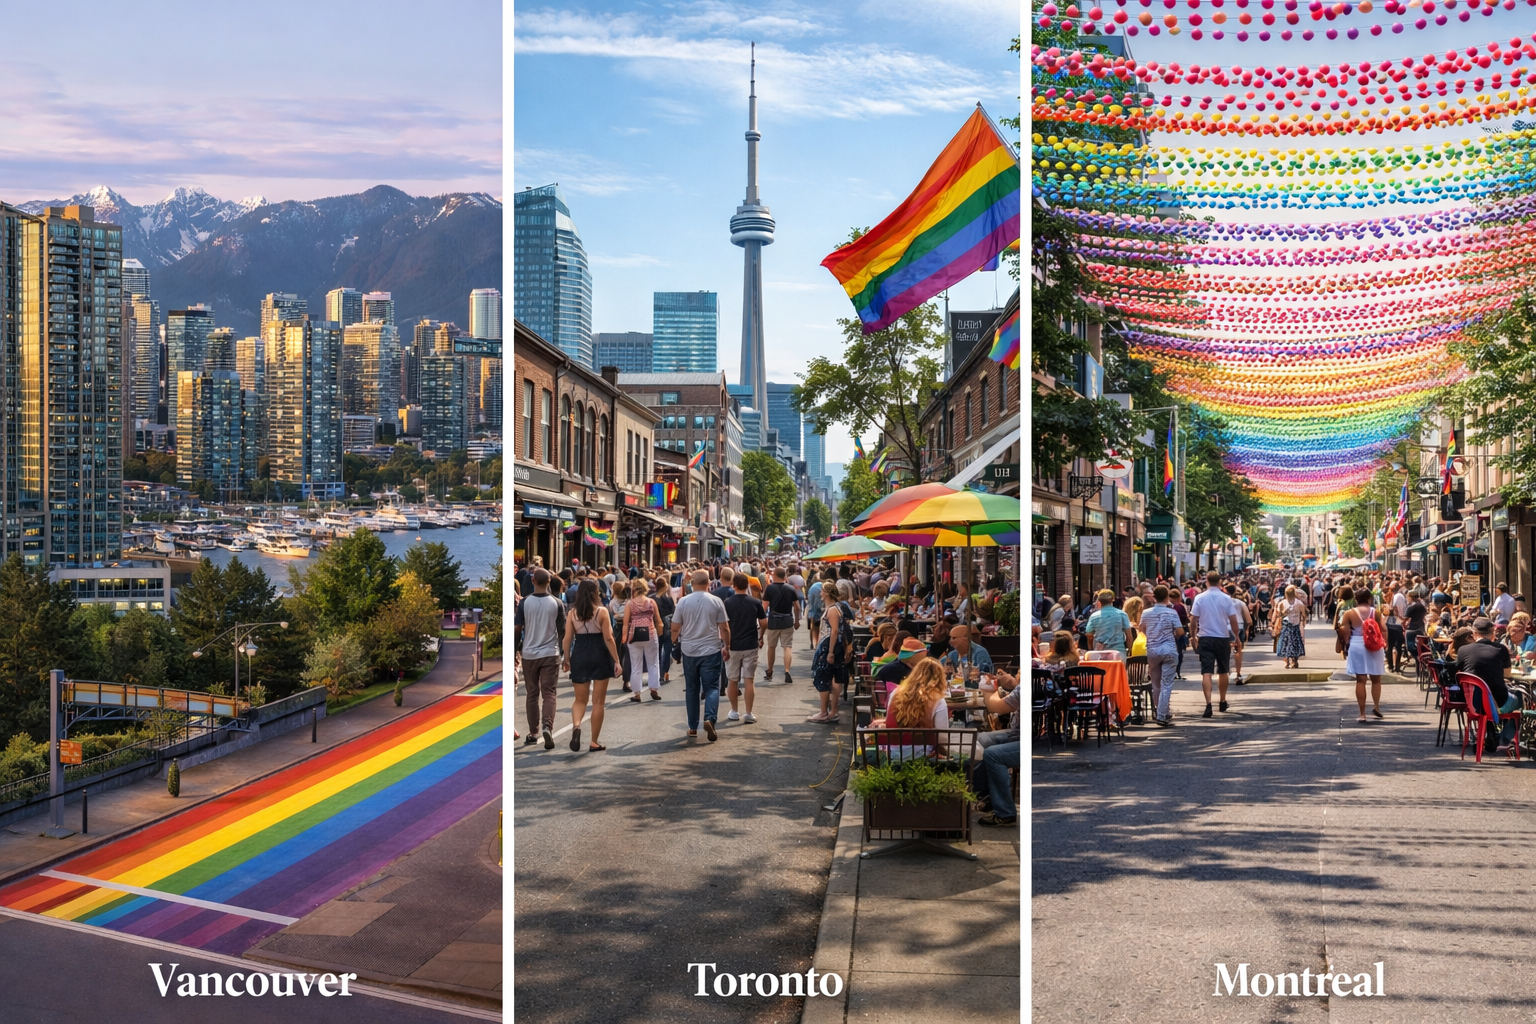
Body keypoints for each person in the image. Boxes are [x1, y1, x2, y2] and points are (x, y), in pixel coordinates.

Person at [561, 579, 622, 752]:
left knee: (580, 700)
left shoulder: (572, 613)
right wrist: (616, 660)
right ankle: (594, 741)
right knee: (598, 702)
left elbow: (567, 639)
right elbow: (609, 638)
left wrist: (566, 659)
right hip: (600, 655)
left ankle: (577, 725)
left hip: (580, 654)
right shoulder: (602, 612)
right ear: (596, 592)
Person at [671, 570, 731, 742]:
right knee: (712, 686)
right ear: (709, 584)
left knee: (692, 688)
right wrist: (727, 646)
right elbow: (724, 628)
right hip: (711, 649)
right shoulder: (716, 601)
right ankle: (709, 718)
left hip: (689, 650)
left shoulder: (683, 602)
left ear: (691, 583)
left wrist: (674, 644)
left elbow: (675, 627)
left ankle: (692, 727)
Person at [515, 568, 565, 750]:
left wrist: (514, 651)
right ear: (550, 582)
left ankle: (533, 732)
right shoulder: (557, 603)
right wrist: (564, 653)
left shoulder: (524, 603)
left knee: (532, 693)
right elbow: (562, 630)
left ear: (533, 581)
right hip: (550, 653)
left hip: (529, 654)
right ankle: (547, 727)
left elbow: (518, 628)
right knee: (549, 693)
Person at [1456, 617, 1521, 754]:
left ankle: (1490, 734)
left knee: (1486, 693)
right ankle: (1504, 738)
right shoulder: (1501, 649)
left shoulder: (1463, 650)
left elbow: (1460, 672)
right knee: (1522, 700)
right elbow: (1507, 675)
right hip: (1499, 702)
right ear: (1493, 634)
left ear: (1474, 634)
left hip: (1474, 703)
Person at [1190, 571, 1243, 718]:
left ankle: (1208, 703)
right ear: (1220, 582)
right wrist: (1237, 636)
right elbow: (1233, 620)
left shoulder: (1200, 598)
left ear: (1206, 581)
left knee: (1206, 671)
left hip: (1205, 637)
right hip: (1222, 637)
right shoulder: (1226, 598)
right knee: (1223, 670)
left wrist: (1193, 635)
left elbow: (1193, 620)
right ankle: (1222, 700)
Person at [879, 659, 951, 756]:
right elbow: (943, 738)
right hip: (923, 755)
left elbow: (889, 721)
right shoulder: (938, 700)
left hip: (893, 753)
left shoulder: (895, 693)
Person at [721, 572, 766, 724]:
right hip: (750, 644)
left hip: (733, 645)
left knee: (732, 679)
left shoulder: (727, 603)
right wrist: (761, 636)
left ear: (733, 585)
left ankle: (734, 711)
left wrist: (725, 644)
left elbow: (723, 626)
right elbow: (764, 622)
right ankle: (749, 713)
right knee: (749, 680)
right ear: (747, 585)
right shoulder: (755, 602)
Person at [810, 579, 856, 723]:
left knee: (823, 677)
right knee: (835, 679)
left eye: (823, 590)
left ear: (828, 593)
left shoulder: (832, 610)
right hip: (834, 646)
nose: (820, 593)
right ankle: (833, 711)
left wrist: (829, 652)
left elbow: (834, 631)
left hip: (830, 647)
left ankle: (824, 712)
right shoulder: (837, 607)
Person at [1339, 589, 1387, 722]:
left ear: (1356, 599)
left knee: (1361, 679)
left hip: (1357, 645)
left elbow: (1346, 632)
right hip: (1375, 646)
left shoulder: (1349, 613)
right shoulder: (1375, 612)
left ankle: (1362, 714)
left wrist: (1345, 646)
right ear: (1369, 599)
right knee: (1376, 679)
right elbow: (1384, 629)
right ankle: (1376, 707)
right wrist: (1385, 643)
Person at [1141, 585, 1185, 727]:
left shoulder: (1146, 613)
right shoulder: (1172, 613)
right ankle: (1162, 714)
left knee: (1155, 683)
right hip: (1169, 649)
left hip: (1153, 650)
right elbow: (1180, 631)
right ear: (1167, 597)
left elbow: (1142, 628)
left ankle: (1159, 710)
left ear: (1154, 596)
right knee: (1166, 683)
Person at [621, 578, 662, 703]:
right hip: (650, 633)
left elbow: (625, 623)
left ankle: (637, 693)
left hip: (634, 636)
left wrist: (624, 638)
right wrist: (659, 634)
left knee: (636, 665)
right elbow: (658, 621)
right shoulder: (651, 602)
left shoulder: (630, 604)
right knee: (653, 662)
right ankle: (653, 688)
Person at [762, 566, 802, 684]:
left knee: (771, 646)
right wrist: (797, 620)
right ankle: (787, 670)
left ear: (774, 576)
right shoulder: (790, 588)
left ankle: (770, 671)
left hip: (774, 620)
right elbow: (797, 606)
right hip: (787, 620)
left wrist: (761, 620)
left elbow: (764, 606)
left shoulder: (769, 589)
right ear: (784, 576)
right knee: (787, 646)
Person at [1084, 589, 1133, 657]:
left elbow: (1089, 635)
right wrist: (1130, 651)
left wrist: (1091, 649)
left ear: (1099, 601)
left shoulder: (1093, 616)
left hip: (1099, 653)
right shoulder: (1122, 614)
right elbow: (1129, 636)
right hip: (1118, 652)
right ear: (1112, 600)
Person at [1275, 585, 1307, 670]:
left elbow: (1278, 613)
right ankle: (1294, 660)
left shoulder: (1282, 603)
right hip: (1295, 624)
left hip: (1286, 624)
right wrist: (1303, 621)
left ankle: (1287, 662)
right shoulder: (1299, 603)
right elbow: (1303, 614)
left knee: (1286, 642)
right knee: (1295, 642)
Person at [806, 571, 826, 649]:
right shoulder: (823, 586)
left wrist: (810, 612)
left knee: (813, 627)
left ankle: (813, 644)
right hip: (823, 610)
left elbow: (810, 600)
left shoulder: (812, 587)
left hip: (814, 611)